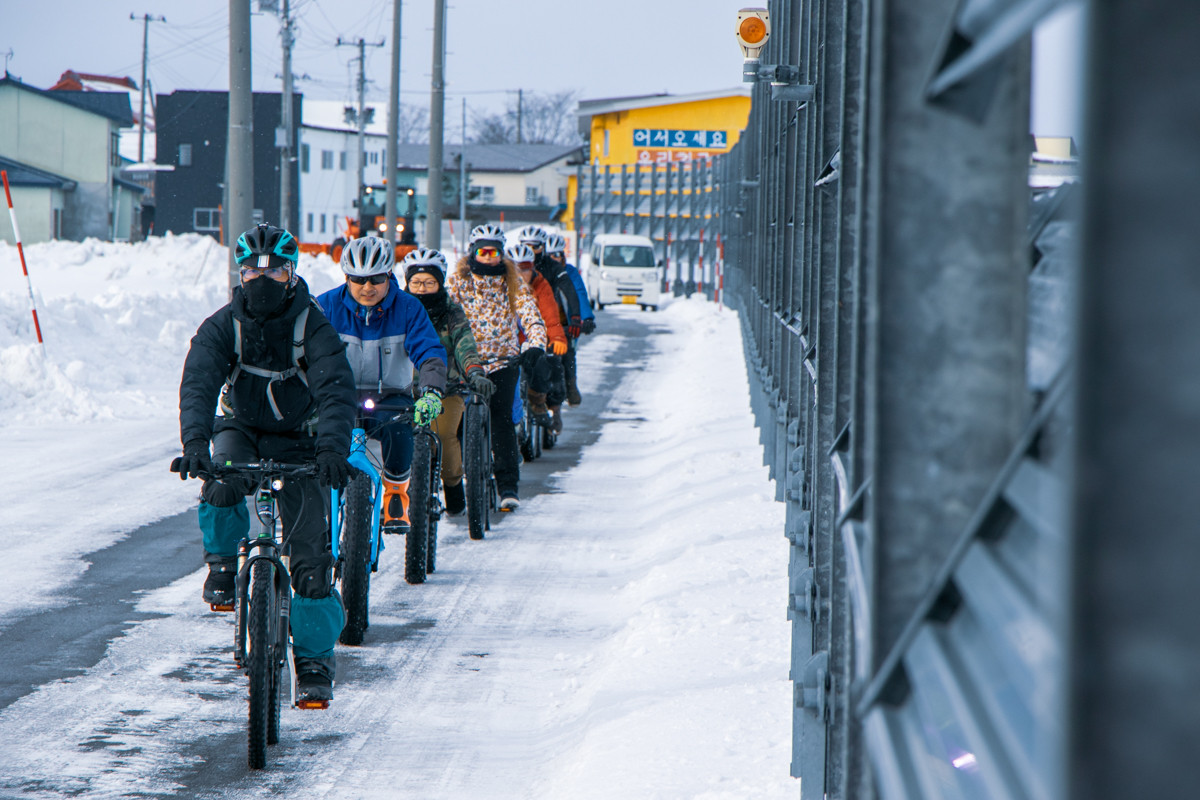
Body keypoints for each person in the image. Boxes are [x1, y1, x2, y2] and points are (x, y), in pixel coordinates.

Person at [171, 222, 357, 706]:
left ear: (293, 275)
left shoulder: (313, 326)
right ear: (239, 273)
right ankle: (221, 567)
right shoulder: (222, 325)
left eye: (276, 270)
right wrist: (195, 444)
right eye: (252, 269)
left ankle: (314, 662)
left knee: (312, 560)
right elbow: (199, 382)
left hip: (301, 437)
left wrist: (332, 451)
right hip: (242, 428)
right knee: (221, 479)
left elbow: (336, 389)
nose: (263, 278)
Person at [315, 236, 448, 535]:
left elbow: (430, 353)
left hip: (390, 396)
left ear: (389, 275)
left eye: (376, 278)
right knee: (319, 436)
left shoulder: (408, 309)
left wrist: (431, 392)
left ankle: (396, 493)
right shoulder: (325, 307)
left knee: (399, 428)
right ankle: (318, 501)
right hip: (340, 396)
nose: (367, 287)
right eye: (358, 279)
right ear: (346, 278)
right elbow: (305, 355)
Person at [447, 223, 547, 511]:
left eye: (495, 251)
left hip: (504, 360)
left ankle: (507, 487)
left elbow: (531, 315)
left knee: (502, 421)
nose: (489, 257)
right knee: (461, 423)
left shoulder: (512, 280)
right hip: (467, 362)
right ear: (473, 252)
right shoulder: (458, 282)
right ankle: (466, 479)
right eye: (483, 250)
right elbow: (443, 312)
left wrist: (535, 344)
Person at [400, 247, 495, 516]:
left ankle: (453, 486)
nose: (421, 289)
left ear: (440, 282)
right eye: (415, 282)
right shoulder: (396, 311)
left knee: (443, 436)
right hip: (403, 391)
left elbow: (465, 345)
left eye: (429, 282)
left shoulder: (452, 313)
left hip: (446, 390)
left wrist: (475, 371)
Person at [506, 241, 569, 433]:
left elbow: (550, 316)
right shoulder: (500, 286)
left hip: (533, 341)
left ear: (532, 268)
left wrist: (557, 338)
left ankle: (541, 401)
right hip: (506, 344)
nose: (520, 275)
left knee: (547, 364)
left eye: (524, 269)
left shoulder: (541, 285)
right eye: (514, 269)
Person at [544, 232, 596, 407]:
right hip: (540, 323)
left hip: (566, 324)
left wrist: (586, 318)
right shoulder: (537, 273)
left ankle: (571, 385)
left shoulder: (570, 272)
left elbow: (580, 293)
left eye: (557, 255)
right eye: (549, 255)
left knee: (567, 354)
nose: (553, 258)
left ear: (563, 256)